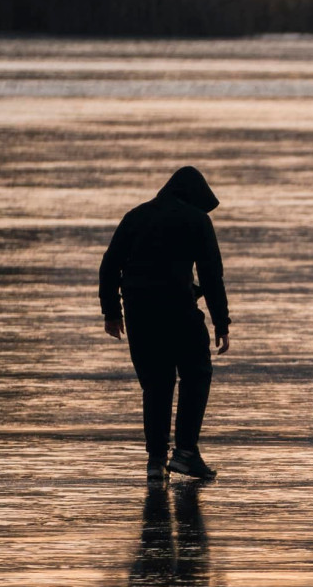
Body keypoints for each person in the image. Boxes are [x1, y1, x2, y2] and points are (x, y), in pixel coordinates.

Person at [100, 166, 230, 481]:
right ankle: (185, 452)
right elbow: (212, 276)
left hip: (139, 313)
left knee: (156, 383)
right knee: (196, 373)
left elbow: (110, 266)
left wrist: (112, 312)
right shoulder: (198, 221)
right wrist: (221, 323)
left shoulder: (136, 216)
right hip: (179, 310)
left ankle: (156, 461)